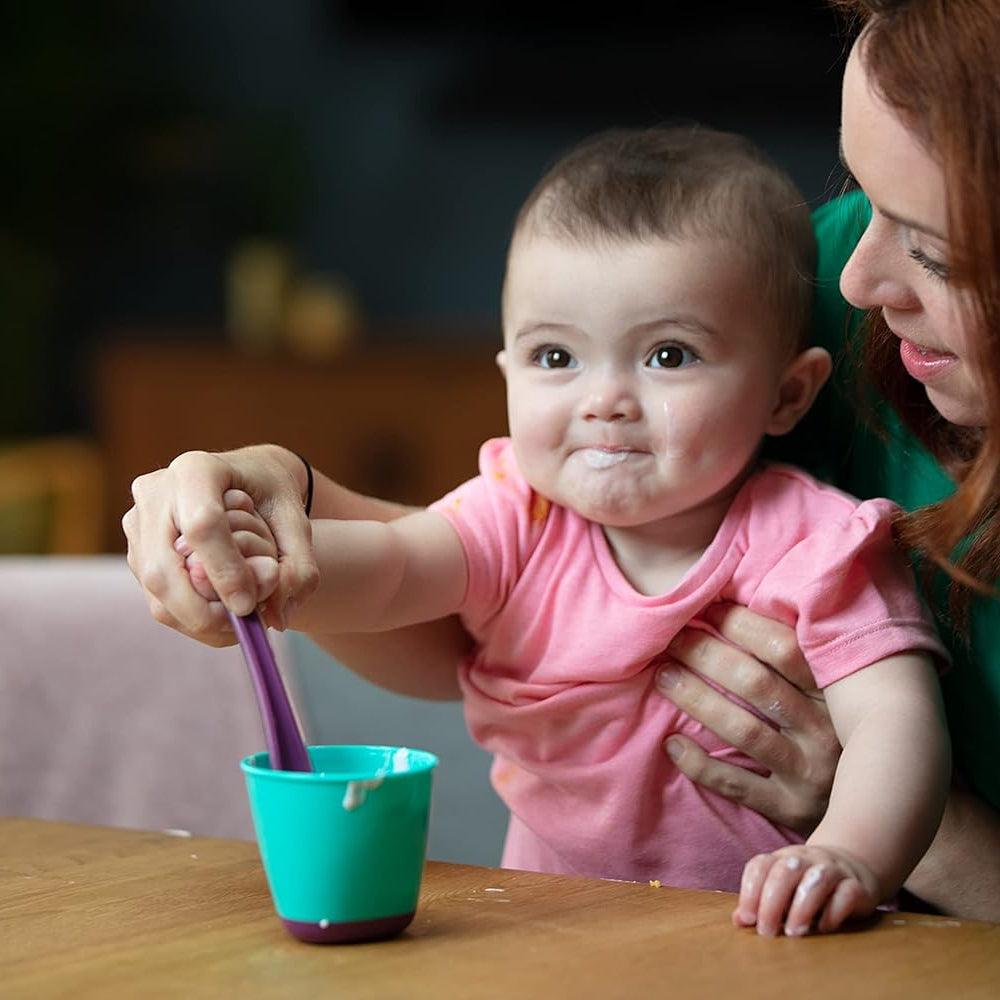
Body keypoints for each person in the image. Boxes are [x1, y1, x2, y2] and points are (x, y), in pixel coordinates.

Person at [123, 0, 1000, 928]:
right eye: (554, 358)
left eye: (667, 357)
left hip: (761, 950)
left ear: (790, 394)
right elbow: (395, 572)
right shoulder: (520, 510)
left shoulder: (808, 540)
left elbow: (896, 722)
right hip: (554, 939)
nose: (603, 400)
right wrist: (262, 553)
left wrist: (850, 851)